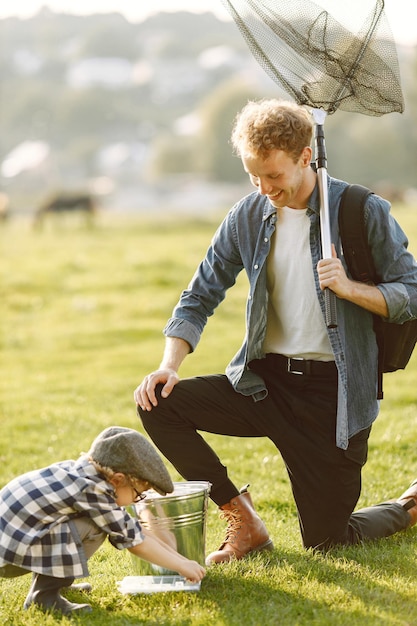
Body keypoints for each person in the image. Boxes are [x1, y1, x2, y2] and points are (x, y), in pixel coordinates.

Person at [134, 98, 417, 565]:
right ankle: (243, 520)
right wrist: (169, 366)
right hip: (263, 385)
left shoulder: (360, 211)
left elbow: (409, 292)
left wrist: (351, 289)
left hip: (332, 398)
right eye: (254, 177)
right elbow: (199, 295)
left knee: (329, 541)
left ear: (306, 157)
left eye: (275, 176)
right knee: (159, 403)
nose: (265, 188)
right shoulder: (248, 215)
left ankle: (407, 508)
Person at [0, 426, 205, 615]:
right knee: (94, 527)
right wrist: (181, 566)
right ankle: (43, 597)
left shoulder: (80, 474)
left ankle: (55, 584)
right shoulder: (93, 491)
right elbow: (137, 542)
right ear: (117, 480)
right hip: (10, 555)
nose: (137, 501)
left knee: (84, 525)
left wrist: (183, 561)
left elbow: (135, 530)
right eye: (138, 495)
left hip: (13, 544)